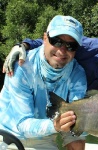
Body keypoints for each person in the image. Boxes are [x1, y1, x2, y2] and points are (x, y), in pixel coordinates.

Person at [3, 20, 98, 150]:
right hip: (7, 132)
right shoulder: (86, 49)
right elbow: (48, 45)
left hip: (81, 113)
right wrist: (23, 45)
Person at [0, 15, 88, 150]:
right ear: (45, 38)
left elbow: (76, 119)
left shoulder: (78, 74)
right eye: (56, 41)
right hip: (7, 135)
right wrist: (55, 125)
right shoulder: (22, 66)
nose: (62, 50)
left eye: (71, 45)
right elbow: (21, 124)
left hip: (45, 140)